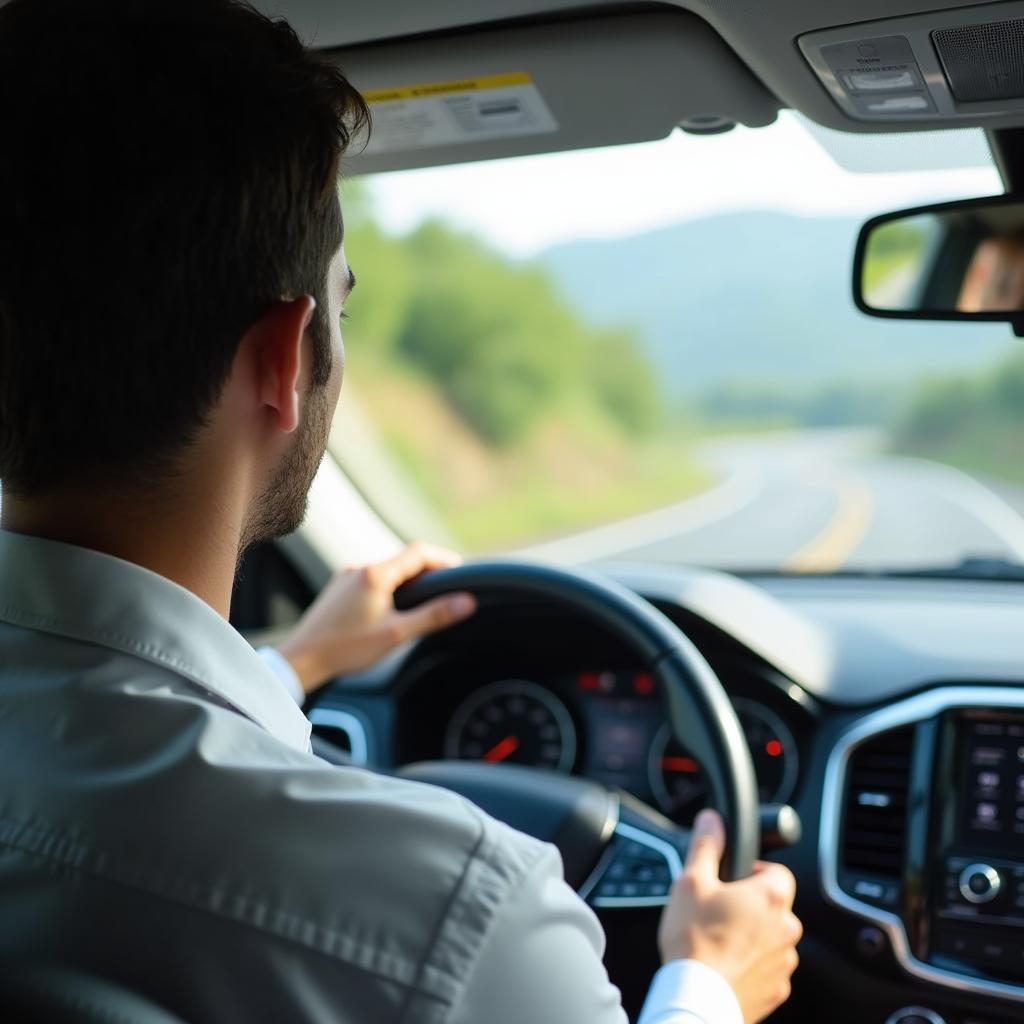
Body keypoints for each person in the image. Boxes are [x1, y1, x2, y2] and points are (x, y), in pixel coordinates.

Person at [0, 1, 802, 1021]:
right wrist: (709, 981)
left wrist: (293, 665)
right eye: (343, 302)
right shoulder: (457, 918)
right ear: (284, 359)